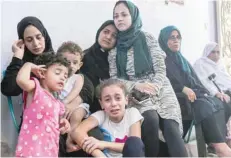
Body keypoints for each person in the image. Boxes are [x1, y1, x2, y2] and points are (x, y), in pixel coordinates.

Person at [108, 1, 187, 157]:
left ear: (133, 16)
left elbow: (160, 68)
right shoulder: (114, 50)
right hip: (135, 92)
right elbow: (115, 79)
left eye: (124, 14)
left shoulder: (148, 38)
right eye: (116, 16)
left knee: (171, 126)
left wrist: (154, 87)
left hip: (160, 88)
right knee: (150, 118)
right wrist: (137, 85)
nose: (120, 19)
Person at [158, 25, 231, 157]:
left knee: (217, 102)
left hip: (194, 95)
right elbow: (166, 84)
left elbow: (195, 81)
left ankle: (219, 143)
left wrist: (203, 91)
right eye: (171, 38)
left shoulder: (181, 59)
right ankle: (219, 146)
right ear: (164, 40)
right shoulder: (162, 61)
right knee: (204, 105)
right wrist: (184, 89)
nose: (176, 40)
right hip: (179, 100)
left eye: (178, 37)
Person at [15, 52, 71, 157]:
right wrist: (29, 65)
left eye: (65, 76)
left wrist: (63, 123)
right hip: (30, 151)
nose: (63, 78)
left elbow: (51, 123)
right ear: (43, 73)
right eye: (58, 73)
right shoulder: (36, 89)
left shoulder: (57, 103)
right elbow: (21, 80)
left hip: (50, 152)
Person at [70, 78, 144, 157]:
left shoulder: (132, 113)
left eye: (118, 98)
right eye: (107, 100)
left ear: (126, 100)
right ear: (101, 103)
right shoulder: (101, 115)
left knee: (135, 143)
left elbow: (135, 146)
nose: (113, 104)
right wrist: (99, 154)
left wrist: (103, 144)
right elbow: (77, 132)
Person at [1, 16, 53, 97]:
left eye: (38, 37)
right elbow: (8, 90)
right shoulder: (22, 65)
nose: (36, 43)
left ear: (45, 36)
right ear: (23, 42)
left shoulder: (56, 60)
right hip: (34, 109)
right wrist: (17, 56)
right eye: (29, 40)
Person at [193, 42, 231, 148]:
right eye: (213, 52)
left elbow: (226, 80)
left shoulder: (220, 64)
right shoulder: (200, 63)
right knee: (225, 105)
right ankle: (221, 142)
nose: (216, 55)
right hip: (210, 94)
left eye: (218, 52)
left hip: (224, 92)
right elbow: (203, 82)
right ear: (207, 52)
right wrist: (216, 93)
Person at [81, 20, 117, 113]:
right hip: (84, 108)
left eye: (114, 36)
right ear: (99, 32)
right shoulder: (82, 57)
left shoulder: (116, 64)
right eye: (106, 32)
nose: (108, 37)